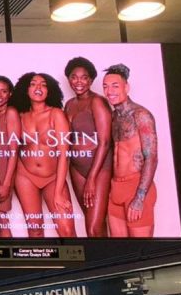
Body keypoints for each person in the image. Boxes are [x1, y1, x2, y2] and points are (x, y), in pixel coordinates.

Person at [10, 72, 76, 238]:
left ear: (49, 91)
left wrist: (59, 192)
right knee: (35, 230)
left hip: (53, 178)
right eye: (33, 84)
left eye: (43, 84)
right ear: (26, 89)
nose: (38, 87)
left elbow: (64, 155)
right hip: (25, 176)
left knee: (67, 231)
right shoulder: (19, 116)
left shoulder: (56, 114)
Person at [104, 64, 158, 238]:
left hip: (136, 186)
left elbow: (152, 158)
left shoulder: (141, 115)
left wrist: (140, 198)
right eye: (105, 86)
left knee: (141, 250)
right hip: (116, 188)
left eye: (115, 86)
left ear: (126, 87)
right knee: (119, 251)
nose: (109, 91)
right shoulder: (113, 117)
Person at [63, 57, 113, 237]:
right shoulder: (69, 105)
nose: (78, 81)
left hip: (98, 168)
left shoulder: (97, 102)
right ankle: (107, 261)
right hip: (76, 168)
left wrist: (92, 178)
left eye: (84, 77)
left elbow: (105, 141)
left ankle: (106, 264)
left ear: (91, 80)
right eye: (74, 77)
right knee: (92, 222)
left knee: (93, 228)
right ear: (68, 79)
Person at [0, 76, 21, 237]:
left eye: (4, 91)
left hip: (3, 174)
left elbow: (14, 151)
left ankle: (6, 258)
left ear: (10, 94)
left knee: (0, 220)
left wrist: (7, 183)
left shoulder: (11, 113)